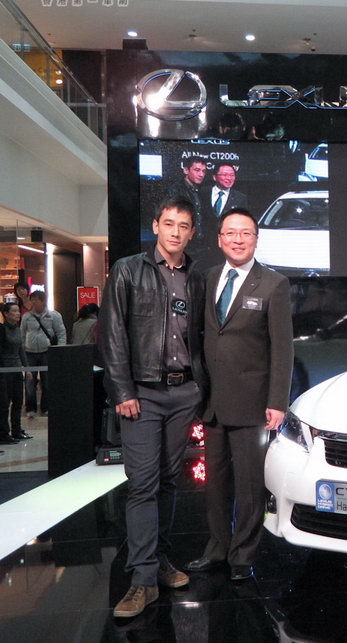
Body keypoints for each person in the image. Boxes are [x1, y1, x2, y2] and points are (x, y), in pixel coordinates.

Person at [100, 196, 208, 618]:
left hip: (183, 393)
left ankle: (160, 560)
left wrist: (199, 388)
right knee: (142, 484)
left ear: (192, 232)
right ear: (156, 226)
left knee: (167, 481)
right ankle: (142, 579)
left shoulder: (196, 278)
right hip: (142, 393)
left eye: (184, 225)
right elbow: (112, 334)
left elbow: (200, 337)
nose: (176, 231)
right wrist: (122, 390)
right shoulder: (128, 270)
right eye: (169, 223)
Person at [186, 208, 292, 581]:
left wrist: (277, 401)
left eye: (245, 233)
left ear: (256, 239)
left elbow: (283, 348)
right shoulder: (207, 279)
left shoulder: (274, 284)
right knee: (214, 483)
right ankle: (217, 548)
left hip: (253, 402)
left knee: (249, 485)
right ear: (219, 239)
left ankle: (243, 555)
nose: (238, 239)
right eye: (230, 233)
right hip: (212, 401)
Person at [21, 291, 66, 418]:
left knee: (47, 382)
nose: (34, 302)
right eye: (32, 299)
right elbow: (22, 334)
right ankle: (30, 408)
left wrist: (59, 350)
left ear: (43, 301)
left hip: (47, 352)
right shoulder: (27, 317)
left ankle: (46, 407)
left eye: (37, 299)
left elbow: (61, 333)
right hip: (29, 352)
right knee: (30, 382)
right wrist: (21, 352)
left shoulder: (54, 315)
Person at [0, 303, 31, 444]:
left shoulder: (18, 329)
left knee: (18, 401)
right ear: (6, 314)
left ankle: (17, 430)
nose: (18, 313)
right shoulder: (2, 330)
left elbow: (21, 350)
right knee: (4, 403)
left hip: (17, 369)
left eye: (18, 311)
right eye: (14, 311)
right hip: (5, 371)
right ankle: (3, 433)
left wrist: (27, 368)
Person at [201, 163, 249, 245]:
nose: (229, 178)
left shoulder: (240, 198)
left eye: (232, 175)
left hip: (227, 243)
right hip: (203, 244)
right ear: (214, 177)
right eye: (225, 175)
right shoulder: (203, 192)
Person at [167, 156, 207, 240]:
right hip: (182, 238)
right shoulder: (175, 190)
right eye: (197, 170)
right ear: (186, 170)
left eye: (203, 171)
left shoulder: (202, 190)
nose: (201, 174)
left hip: (200, 240)